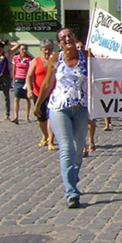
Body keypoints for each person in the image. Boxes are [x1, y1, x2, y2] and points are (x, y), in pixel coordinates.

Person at [34, 27, 90, 208]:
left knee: (79, 147)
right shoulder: (55, 59)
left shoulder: (87, 56)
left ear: (75, 38)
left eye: (69, 35)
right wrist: (38, 104)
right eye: (63, 37)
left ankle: (72, 176)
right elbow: (47, 83)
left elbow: (102, 76)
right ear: (59, 43)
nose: (67, 39)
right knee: (66, 148)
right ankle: (71, 192)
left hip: (80, 108)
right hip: (59, 108)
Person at [28, 40, 56, 150]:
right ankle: (45, 135)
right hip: (38, 93)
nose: (48, 51)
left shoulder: (55, 60)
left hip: (53, 93)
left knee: (52, 117)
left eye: (50, 49)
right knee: (41, 118)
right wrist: (29, 90)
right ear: (41, 50)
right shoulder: (36, 61)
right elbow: (29, 76)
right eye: (45, 49)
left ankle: (51, 141)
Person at [11, 43, 34, 124]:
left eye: (25, 49)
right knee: (16, 97)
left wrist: (31, 81)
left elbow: (31, 70)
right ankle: (16, 116)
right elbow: (14, 69)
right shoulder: (15, 58)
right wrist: (13, 79)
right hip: (18, 79)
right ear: (19, 50)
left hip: (26, 80)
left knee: (27, 98)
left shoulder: (30, 59)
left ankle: (27, 117)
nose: (24, 51)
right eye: (22, 49)